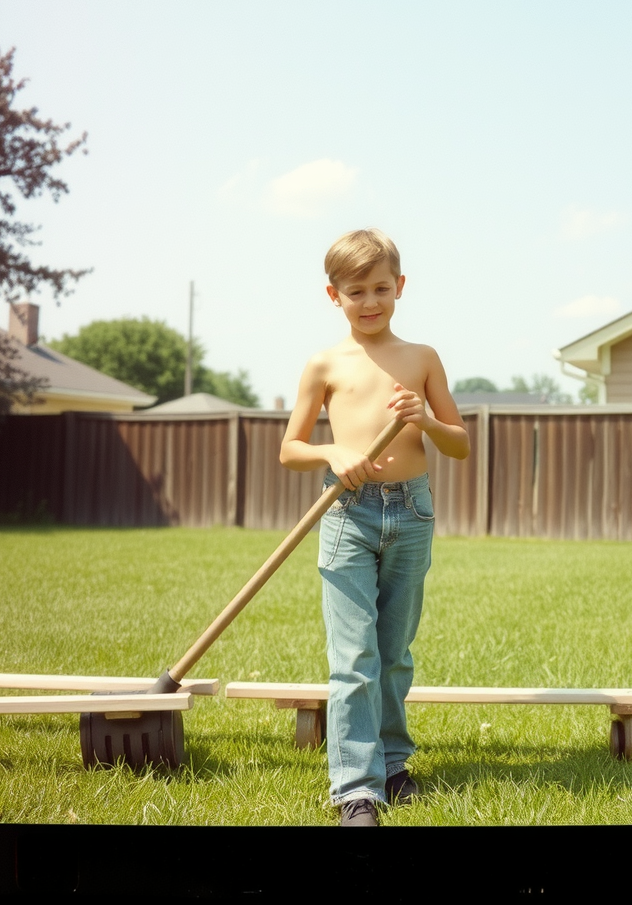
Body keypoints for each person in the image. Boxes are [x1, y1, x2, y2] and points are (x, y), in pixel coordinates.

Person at [279, 228, 470, 826]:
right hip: (346, 513)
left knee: (393, 652)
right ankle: (356, 790)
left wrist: (427, 420)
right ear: (333, 295)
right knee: (353, 654)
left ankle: (392, 763)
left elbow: (459, 444)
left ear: (400, 287)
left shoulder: (423, 359)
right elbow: (290, 448)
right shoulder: (324, 363)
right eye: (356, 291)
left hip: (411, 512)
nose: (370, 302)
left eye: (381, 288)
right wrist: (331, 454)